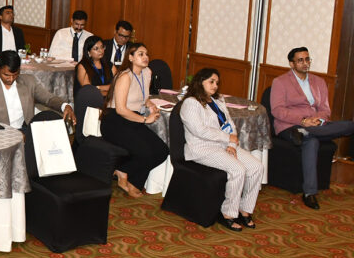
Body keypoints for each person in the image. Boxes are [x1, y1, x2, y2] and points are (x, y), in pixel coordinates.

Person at [270, 47, 354, 209]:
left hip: (314, 125)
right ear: (292, 64)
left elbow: (325, 109)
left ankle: (305, 133)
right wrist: (302, 121)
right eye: (300, 60)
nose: (305, 63)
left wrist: (318, 120)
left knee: (344, 127)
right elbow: (278, 111)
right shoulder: (280, 82)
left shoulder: (319, 82)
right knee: (312, 139)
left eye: (307, 59)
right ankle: (309, 193)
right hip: (290, 126)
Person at [180, 68, 262, 230]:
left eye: (217, 82)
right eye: (211, 82)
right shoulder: (191, 103)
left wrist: (231, 144)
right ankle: (228, 213)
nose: (215, 86)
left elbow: (230, 124)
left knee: (256, 167)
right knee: (238, 169)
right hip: (202, 148)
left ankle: (244, 209)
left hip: (223, 145)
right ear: (200, 82)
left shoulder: (217, 100)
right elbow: (199, 131)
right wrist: (227, 139)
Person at [101, 42, 169, 198]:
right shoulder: (125, 76)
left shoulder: (147, 72)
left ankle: (123, 170)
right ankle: (134, 181)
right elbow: (121, 109)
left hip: (133, 118)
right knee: (146, 153)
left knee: (162, 151)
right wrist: (145, 119)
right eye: (140, 54)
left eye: (146, 54)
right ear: (131, 58)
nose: (145, 57)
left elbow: (143, 97)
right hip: (114, 121)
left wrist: (150, 104)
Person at [0, 50, 75, 128]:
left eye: (15, 75)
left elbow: (48, 98)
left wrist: (65, 106)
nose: (11, 79)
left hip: (24, 130)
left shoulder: (29, 81)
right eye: (6, 75)